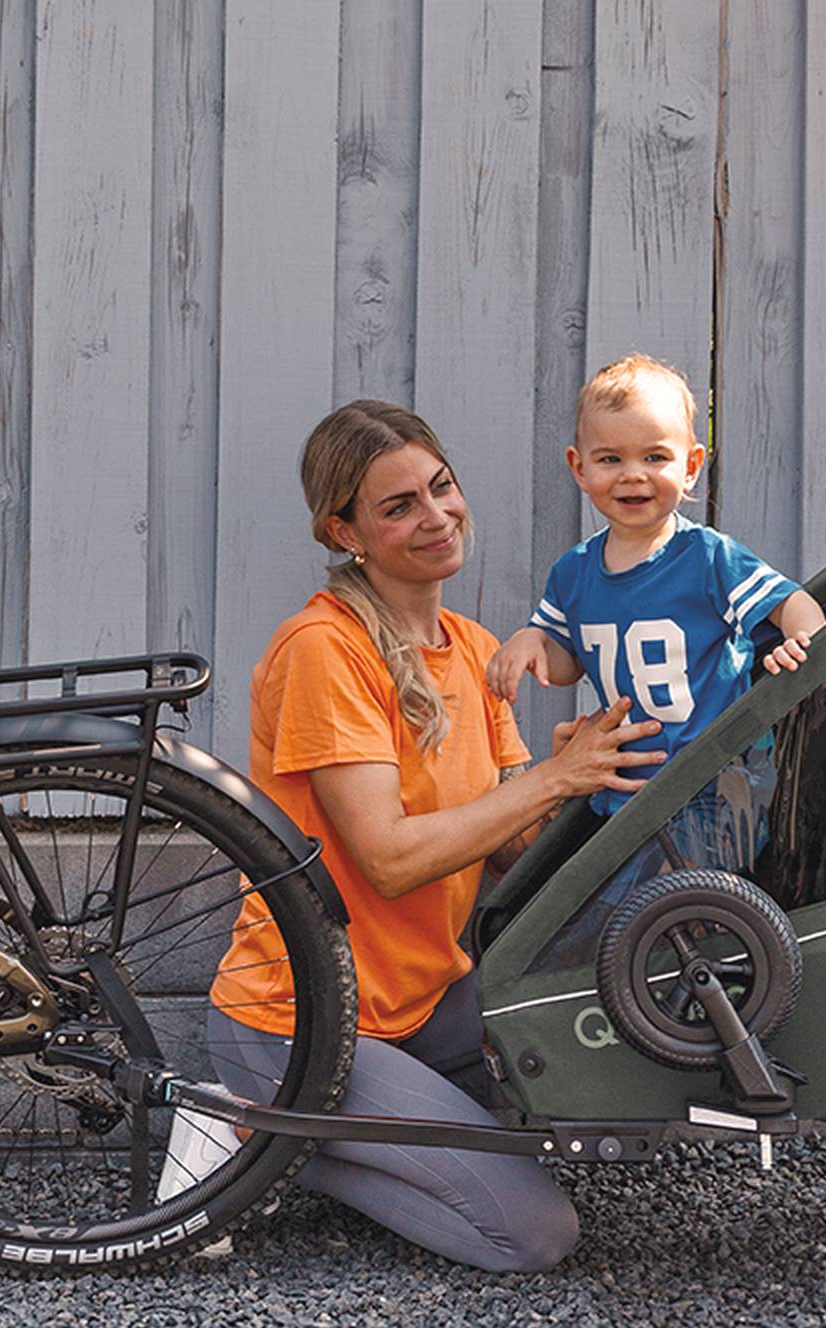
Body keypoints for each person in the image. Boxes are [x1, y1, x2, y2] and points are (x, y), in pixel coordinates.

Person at [205, 399, 666, 1272]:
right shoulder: (324, 650)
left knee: (567, 1126)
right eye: (398, 506)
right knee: (532, 1234)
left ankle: (304, 1130)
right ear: (345, 532)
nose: (436, 516)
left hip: (428, 1009)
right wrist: (548, 781)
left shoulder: (472, 646)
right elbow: (387, 859)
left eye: (440, 488)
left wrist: (572, 787)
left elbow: (511, 855)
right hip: (308, 1019)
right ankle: (255, 1131)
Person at [485, 354, 826, 842]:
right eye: (610, 459)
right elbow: (566, 665)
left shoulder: (708, 559)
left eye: (654, 457)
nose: (632, 475)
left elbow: (791, 602)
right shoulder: (573, 573)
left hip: (712, 787)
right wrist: (531, 641)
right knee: (621, 910)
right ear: (578, 468)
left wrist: (804, 640)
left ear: (690, 467)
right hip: (624, 790)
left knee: (677, 909)